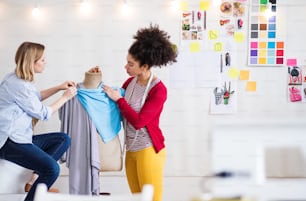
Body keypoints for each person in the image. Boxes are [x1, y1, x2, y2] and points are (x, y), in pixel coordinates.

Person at [103, 24, 177, 201]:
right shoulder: (130, 83)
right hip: (131, 150)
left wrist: (119, 99)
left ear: (144, 66)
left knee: (152, 198)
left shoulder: (158, 89)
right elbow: (118, 110)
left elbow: (139, 121)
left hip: (148, 149)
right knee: (137, 198)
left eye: (130, 64)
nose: (126, 67)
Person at [0, 41, 77, 201]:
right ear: (31, 62)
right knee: (52, 169)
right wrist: (65, 97)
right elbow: (44, 113)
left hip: (20, 138)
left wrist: (58, 87)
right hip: (10, 143)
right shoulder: (18, 85)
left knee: (63, 139)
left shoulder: (18, 79)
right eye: (42, 59)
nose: (45, 62)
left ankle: (33, 180)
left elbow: (34, 98)